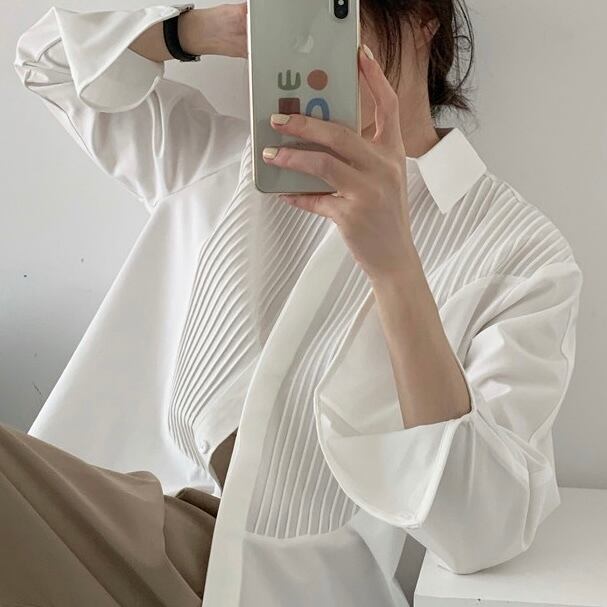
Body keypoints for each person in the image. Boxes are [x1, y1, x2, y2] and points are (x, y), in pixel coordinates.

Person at [6, 1, 583, 606]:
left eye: (339, 11)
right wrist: (193, 31)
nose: (315, 45)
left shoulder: (516, 250)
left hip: (286, 580)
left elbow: (482, 529)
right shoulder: (224, 164)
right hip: (114, 522)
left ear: (423, 20)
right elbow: (48, 63)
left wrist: (395, 270)